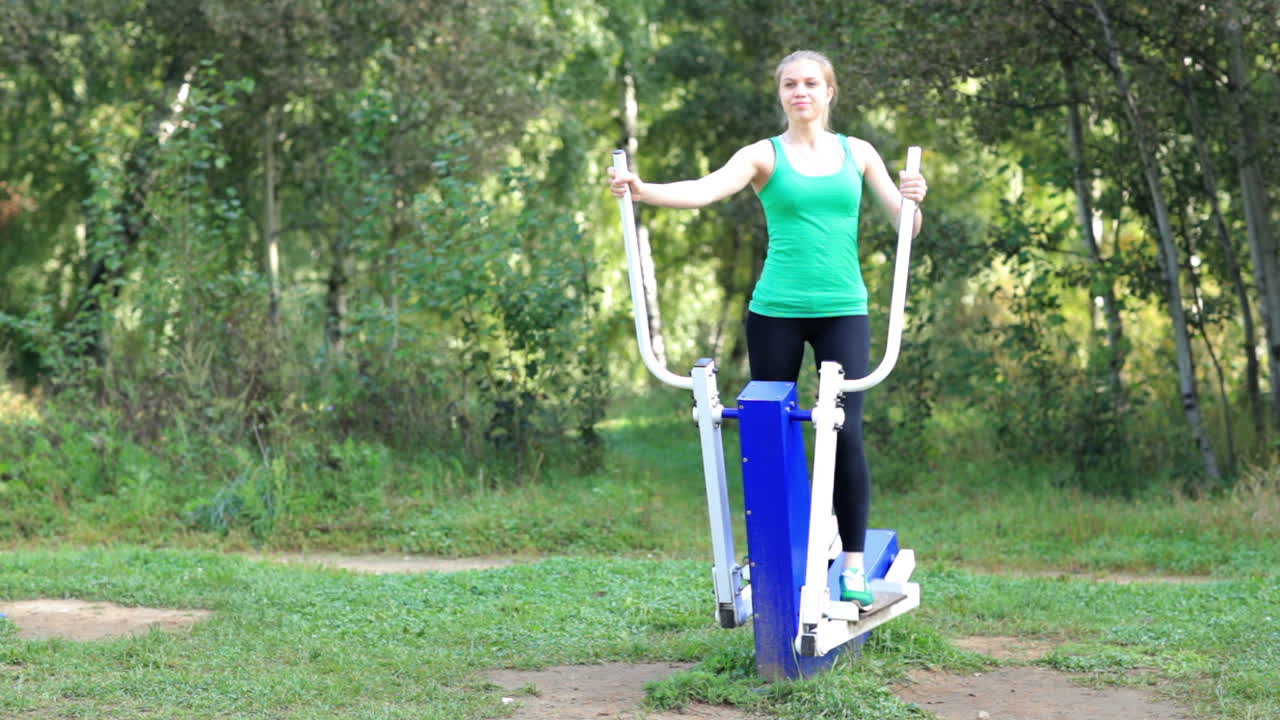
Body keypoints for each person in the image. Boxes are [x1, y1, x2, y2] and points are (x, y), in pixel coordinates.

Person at [608, 50, 928, 607]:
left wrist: (914, 202)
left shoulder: (860, 153)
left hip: (842, 308)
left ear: (830, 92)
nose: (800, 91)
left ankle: (850, 565)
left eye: (810, 83)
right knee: (771, 431)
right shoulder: (764, 155)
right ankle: (780, 552)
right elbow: (707, 190)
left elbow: (908, 230)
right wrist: (642, 189)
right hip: (775, 310)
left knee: (845, 432)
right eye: (789, 84)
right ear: (780, 94)